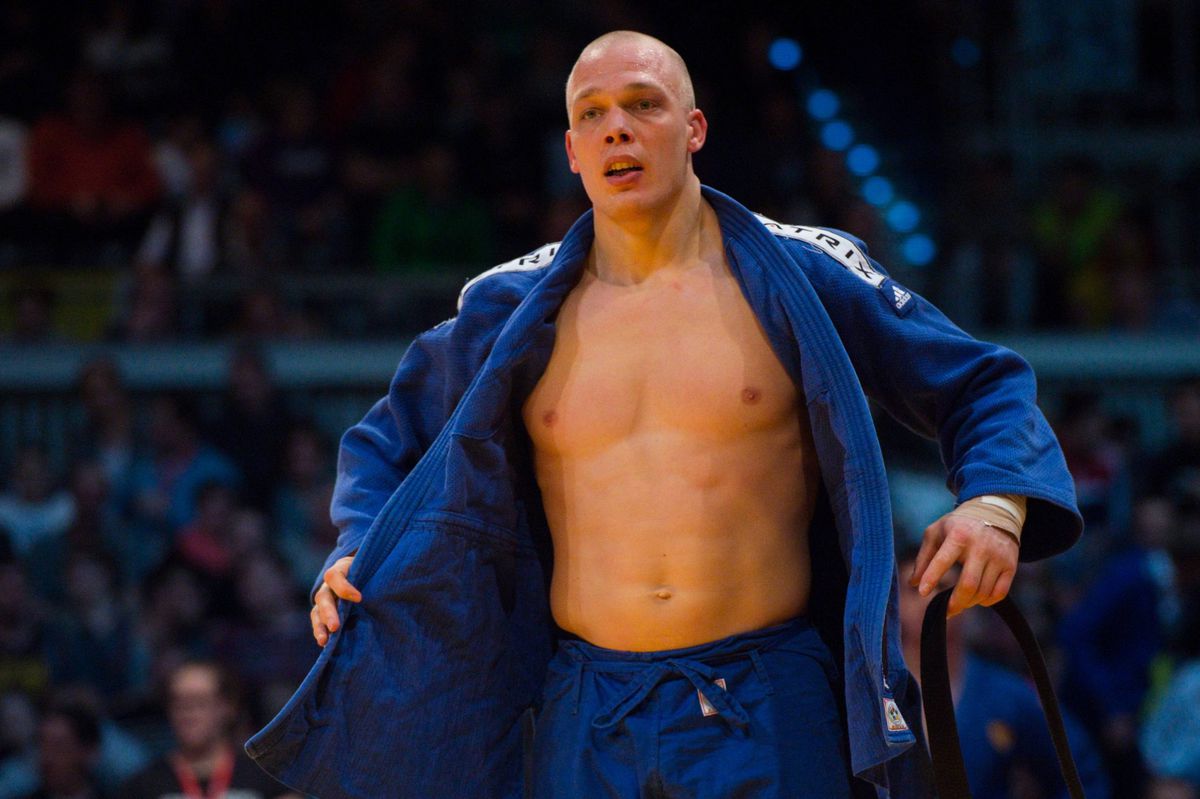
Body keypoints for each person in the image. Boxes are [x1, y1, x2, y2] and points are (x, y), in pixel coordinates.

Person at [247, 31, 1082, 798]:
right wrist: (356, 542)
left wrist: (995, 505)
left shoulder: (803, 270)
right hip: (585, 699)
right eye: (593, 115)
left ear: (694, 128)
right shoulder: (508, 302)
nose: (619, 129)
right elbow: (387, 438)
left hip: (766, 690)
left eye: (644, 105)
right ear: (572, 152)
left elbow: (983, 380)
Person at [121, 661, 297, 799]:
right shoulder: (142, 785)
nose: (188, 713)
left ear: (228, 706)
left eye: (199, 702)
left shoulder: (268, 777)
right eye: (179, 703)